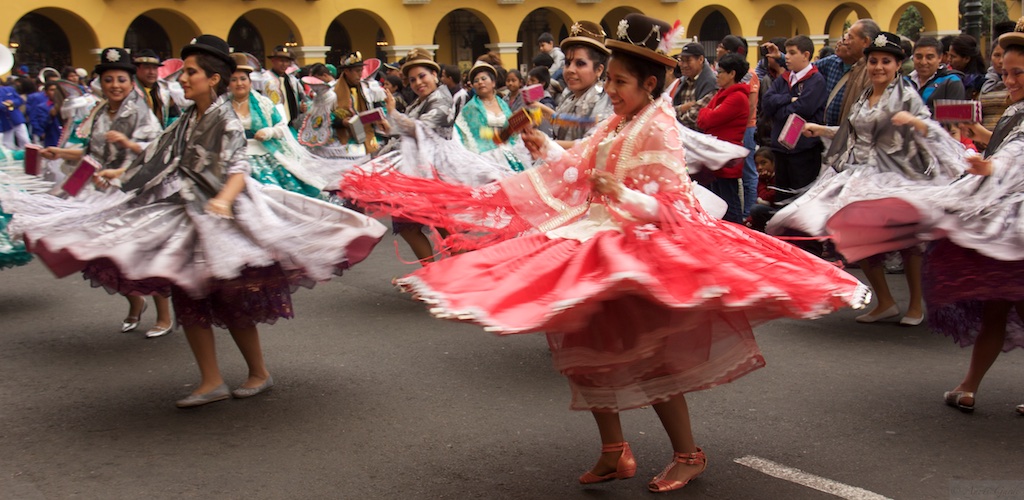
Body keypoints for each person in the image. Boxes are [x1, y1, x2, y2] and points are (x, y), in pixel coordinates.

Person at [341, 14, 868, 492]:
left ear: (649, 84)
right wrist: (545, 147)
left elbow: (672, 204)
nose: (611, 90)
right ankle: (615, 451)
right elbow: (578, 163)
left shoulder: (657, 125)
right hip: (592, 242)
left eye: (619, 82)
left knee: (650, 358)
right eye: (610, 80)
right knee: (585, 354)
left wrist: (628, 197)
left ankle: (688, 453)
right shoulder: (617, 122)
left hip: (636, 257)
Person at [1, 35, 387, 407]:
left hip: (226, 216)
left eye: (189, 72)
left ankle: (258, 371)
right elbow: (157, 156)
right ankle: (211, 380)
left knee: (231, 297)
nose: (182, 78)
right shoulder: (186, 118)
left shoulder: (227, 120)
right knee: (190, 295)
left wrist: (222, 200)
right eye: (183, 72)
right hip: (187, 210)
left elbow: (238, 169)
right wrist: (119, 173)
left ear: (212, 78)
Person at [828, 21, 1024, 417]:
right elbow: (1000, 146)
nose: (1008, 78)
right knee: (999, 307)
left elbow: (1013, 155)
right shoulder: (1016, 109)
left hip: (1010, 218)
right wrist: (973, 136)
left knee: (1003, 306)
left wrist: (988, 166)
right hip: (999, 211)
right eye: (1005, 71)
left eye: (1017, 73)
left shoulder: (907, 92)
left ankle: (964, 380)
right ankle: (967, 386)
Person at [768, 32, 965, 325]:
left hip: (901, 175)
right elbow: (852, 132)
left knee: (908, 240)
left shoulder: (906, 95)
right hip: (862, 173)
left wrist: (913, 122)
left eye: (886, 61)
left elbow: (933, 131)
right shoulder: (864, 96)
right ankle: (885, 301)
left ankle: (914, 306)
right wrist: (819, 129)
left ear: (898, 65)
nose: (879, 67)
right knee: (856, 237)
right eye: (874, 61)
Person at [39, 47, 173, 338]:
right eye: (109, 79)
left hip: (134, 189)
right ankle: (135, 300)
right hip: (100, 188)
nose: (115, 85)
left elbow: (156, 152)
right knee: (104, 254)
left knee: (143, 252)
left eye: (121, 79)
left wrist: (127, 142)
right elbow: (89, 150)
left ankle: (164, 315)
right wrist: (57, 152)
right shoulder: (99, 110)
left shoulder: (140, 110)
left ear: (130, 82)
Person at [228, 52, 328, 198]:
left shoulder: (264, 104)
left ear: (250, 82)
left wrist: (269, 132)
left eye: (243, 79)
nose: (239, 83)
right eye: (234, 80)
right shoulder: (221, 107)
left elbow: (281, 126)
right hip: (233, 158)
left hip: (263, 154)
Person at [760, 35, 827, 203]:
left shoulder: (815, 80)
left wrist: (779, 110)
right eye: (786, 52)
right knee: (781, 196)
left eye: (792, 53)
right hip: (781, 149)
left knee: (799, 198)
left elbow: (804, 109)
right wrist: (788, 100)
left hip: (803, 150)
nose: (786, 57)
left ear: (805, 55)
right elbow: (766, 104)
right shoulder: (785, 78)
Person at [696, 53, 750, 223]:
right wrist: (707, 113)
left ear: (732, 74)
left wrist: (707, 113)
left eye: (720, 72)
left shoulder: (737, 97)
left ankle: (741, 240)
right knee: (717, 205)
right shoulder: (722, 94)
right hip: (715, 157)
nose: (716, 75)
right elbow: (701, 118)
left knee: (730, 207)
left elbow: (707, 119)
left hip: (726, 159)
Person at [452, 61, 531, 172]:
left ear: (493, 82)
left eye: (484, 79)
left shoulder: (503, 104)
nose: (480, 82)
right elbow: (475, 137)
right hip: (486, 159)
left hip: (511, 152)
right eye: (476, 81)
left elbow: (510, 130)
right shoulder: (470, 108)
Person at [546, 21, 613, 148]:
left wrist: (547, 145)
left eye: (580, 64)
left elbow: (592, 146)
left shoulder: (605, 101)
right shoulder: (568, 97)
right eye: (567, 63)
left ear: (599, 70)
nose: (570, 70)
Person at [906, 37, 965, 114]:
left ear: (940, 58)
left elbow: (954, 117)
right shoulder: (904, 82)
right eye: (919, 57)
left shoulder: (951, 82)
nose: (923, 62)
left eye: (929, 57)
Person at [133, 49, 182, 129]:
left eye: (154, 68)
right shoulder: (130, 90)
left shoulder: (164, 91)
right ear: (137, 69)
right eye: (147, 67)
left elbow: (173, 117)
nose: (151, 72)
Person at [263, 45, 308, 130]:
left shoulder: (293, 80)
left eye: (287, 62)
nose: (284, 64)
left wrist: (301, 106)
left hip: (293, 124)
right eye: (281, 61)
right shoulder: (265, 79)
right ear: (273, 61)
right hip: (275, 125)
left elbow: (301, 99)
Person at [947, 34, 987, 99]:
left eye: (953, 57)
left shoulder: (979, 83)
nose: (949, 59)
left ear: (966, 59)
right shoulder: (948, 78)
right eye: (949, 55)